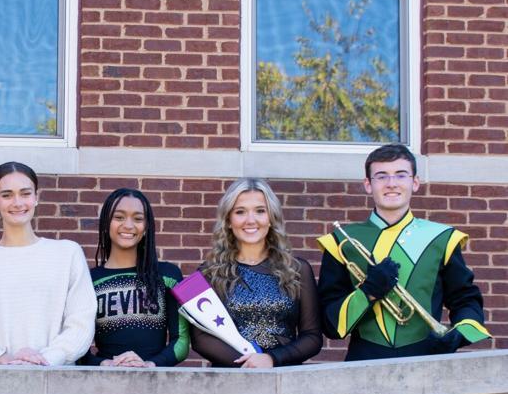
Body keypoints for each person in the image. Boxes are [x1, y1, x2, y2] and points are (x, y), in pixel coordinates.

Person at [317, 143, 489, 360]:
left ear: (415, 182)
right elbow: (329, 325)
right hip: (363, 360)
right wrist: (368, 292)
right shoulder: (342, 240)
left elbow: (466, 299)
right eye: (381, 176)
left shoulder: (441, 238)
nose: (391, 184)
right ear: (368, 185)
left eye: (401, 175)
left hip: (426, 357)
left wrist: (459, 334)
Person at [0, 162, 96, 365]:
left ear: (37, 197)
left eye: (25, 193)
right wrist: (3, 360)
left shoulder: (67, 254)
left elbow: (81, 324)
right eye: (7, 195)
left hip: (56, 383)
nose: (17, 202)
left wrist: (45, 360)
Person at [194, 178, 322, 368]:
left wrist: (272, 359)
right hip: (230, 379)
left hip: (284, 377)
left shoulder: (297, 269)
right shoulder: (207, 272)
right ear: (228, 220)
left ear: (271, 218)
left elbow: (312, 336)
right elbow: (200, 338)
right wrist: (249, 365)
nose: (251, 220)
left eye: (260, 211)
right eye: (240, 212)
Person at [81, 188, 189, 367]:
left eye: (138, 218)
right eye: (119, 217)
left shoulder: (169, 275)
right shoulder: (88, 281)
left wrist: (150, 365)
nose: (129, 225)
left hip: (155, 383)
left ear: (146, 227)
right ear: (106, 223)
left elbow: (182, 342)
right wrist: (103, 364)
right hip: (102, 383)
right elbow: (76, 345)